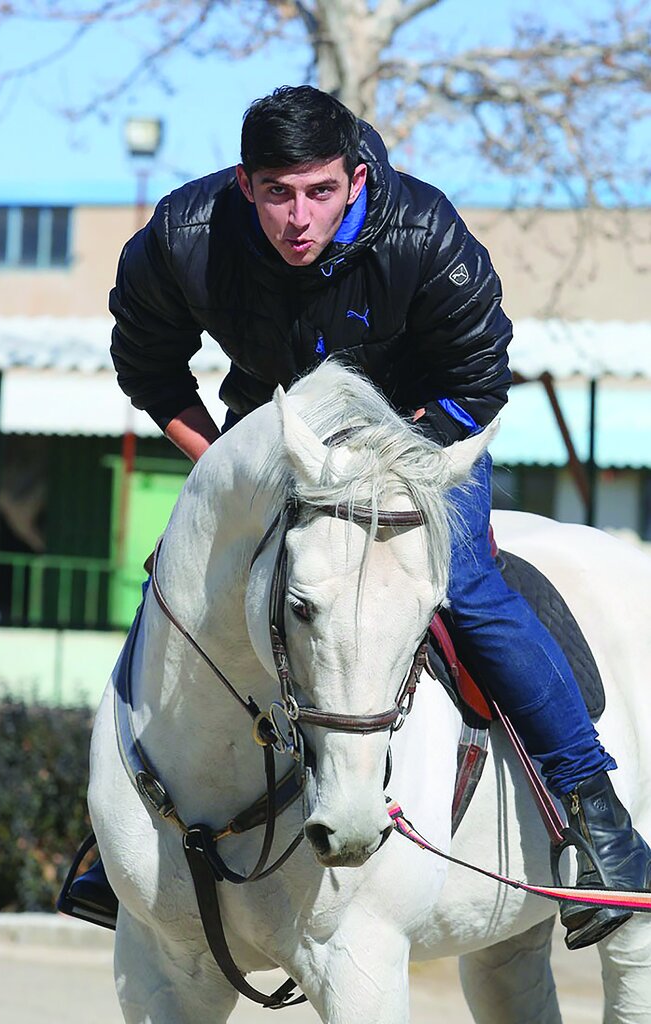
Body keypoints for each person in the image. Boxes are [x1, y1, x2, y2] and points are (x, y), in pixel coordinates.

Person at [69, 85, 651, 949]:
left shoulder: (425, 228)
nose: (296, 218)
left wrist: (385, 475)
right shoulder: (183, 234)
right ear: (243, 184)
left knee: (469, 585)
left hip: (420, 438)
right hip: (278, 440)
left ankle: (594, 817)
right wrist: (222, 478)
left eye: (318, 192)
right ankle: (120, 836)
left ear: (354, 179)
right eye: (275, 194)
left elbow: (479, 377)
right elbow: (148, 367)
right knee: (184, 576)